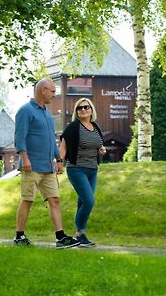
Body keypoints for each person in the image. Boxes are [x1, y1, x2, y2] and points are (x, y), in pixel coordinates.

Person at [14, 78, 80, 249]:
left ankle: (60, 237)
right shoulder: (25, 111)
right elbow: (19, 138)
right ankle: (19, 236)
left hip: (48, 166)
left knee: (55, 200)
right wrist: (25, 158)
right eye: (52, 91)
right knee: (27, 199)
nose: (54, 94)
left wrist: (58, 159)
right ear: (43, 90)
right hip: (31, 165)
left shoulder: (47, 113)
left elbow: (51, 139)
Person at [60, 98, 106, 247]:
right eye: (79, 108)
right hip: (76, 168)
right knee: (89, 201)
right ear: (76, 112)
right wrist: (59, 162)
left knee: (83, 202)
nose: (83, 110)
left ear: (91, 109)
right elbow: (64, 146)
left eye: (86, 107)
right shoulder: (74, 127)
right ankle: (79, 234)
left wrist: (101, 150)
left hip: (92, 170)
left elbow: (98, 146)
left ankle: (80, 234)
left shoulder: (95, 127)